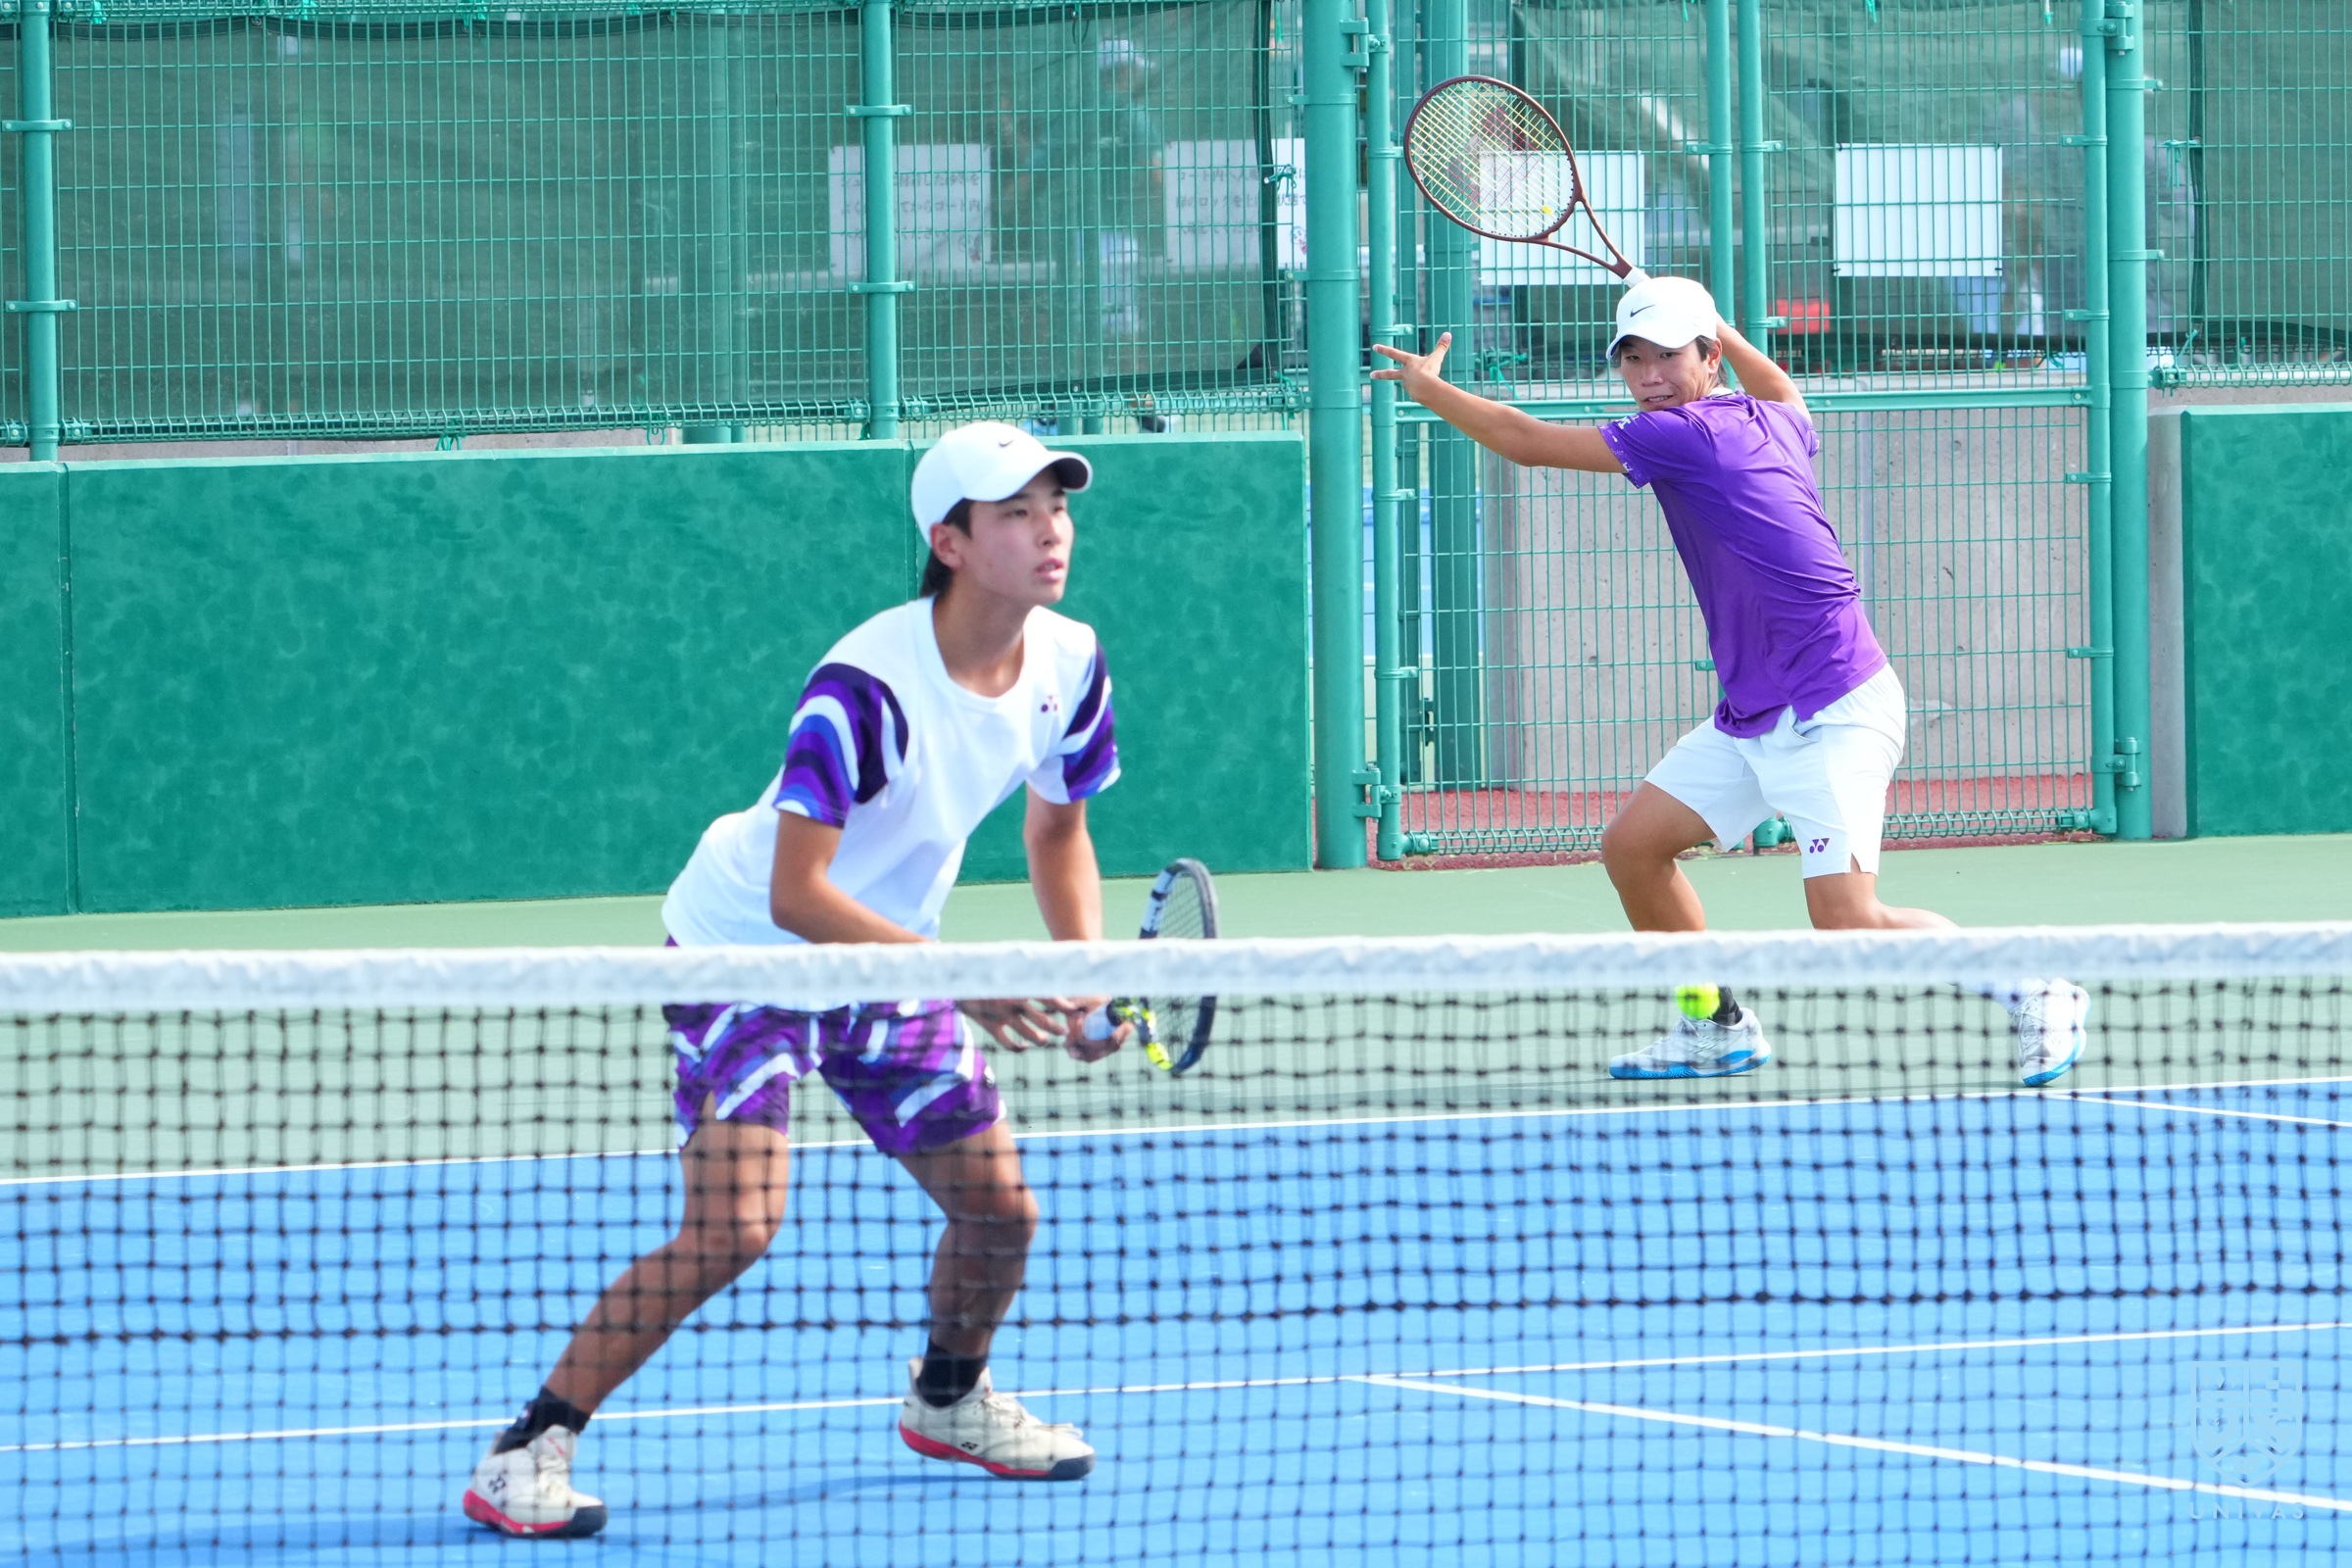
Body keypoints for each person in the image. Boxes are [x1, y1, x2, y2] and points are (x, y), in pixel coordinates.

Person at [462, 421, 1130, 1539]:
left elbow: (1059, 831)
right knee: (736, 1227)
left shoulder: (1071, 663)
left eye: (1057, 507)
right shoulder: (863, 687)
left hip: (887, 954)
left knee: (1002, 1213)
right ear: (951, 543)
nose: (1051, 531)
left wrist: (1087, 980)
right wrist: (961, 980)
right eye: (1016, 513)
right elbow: (795, 894)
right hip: (750, 954)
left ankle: (949, 1399)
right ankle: (527, 1449)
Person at [1372, 276, 2087, 1088]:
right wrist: (1715, 318)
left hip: (1833, 706)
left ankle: (2034, 989)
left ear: (1709, 359)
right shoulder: (1776, 417)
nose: (1648, 377)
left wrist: (1431, 391)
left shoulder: (1682, 435)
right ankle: (1713, 1025)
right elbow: (1778, 381)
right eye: (1632, 359)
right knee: (1634, 849)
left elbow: (1526, 440)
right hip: (1756, 711)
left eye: (1668, 357)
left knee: (1848, 921)